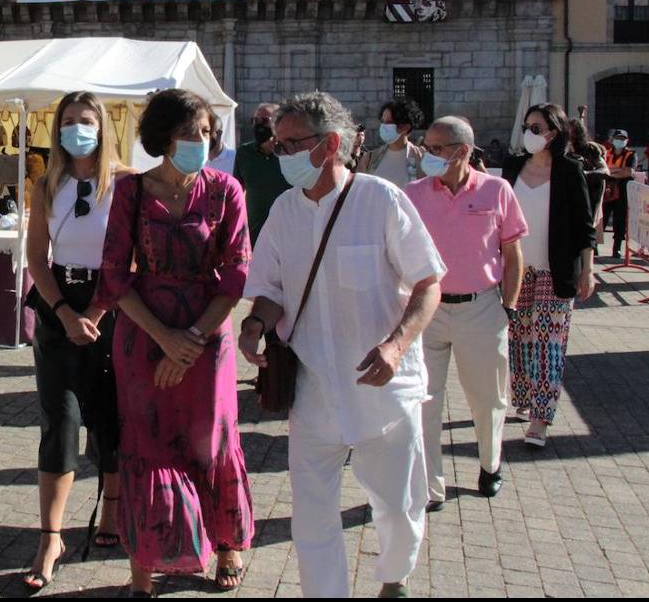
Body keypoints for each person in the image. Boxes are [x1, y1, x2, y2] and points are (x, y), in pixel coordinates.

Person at [241, 92, 445, 598]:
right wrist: (253, 325)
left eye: (292, 143)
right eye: (277, 143)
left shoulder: (380, 199)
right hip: (311, 390)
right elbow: (268, 290)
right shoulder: (284, 211)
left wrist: (397, 346)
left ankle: (394, 577)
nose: (280, 153)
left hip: (384, 390)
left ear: (330, 144)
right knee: (311, 517)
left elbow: (428, 283)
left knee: (398, 505)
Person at [94, 89, 255, 596]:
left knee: (213, 441)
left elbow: (236, 272)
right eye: (190, 133)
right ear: (163, 136)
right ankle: (144, 565)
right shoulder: (132, 192)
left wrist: (191, 340)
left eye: (206, 132)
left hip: (208, 333)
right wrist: (165, 339)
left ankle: (226, 545)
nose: (200, 141)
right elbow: (115, 275)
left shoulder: (227, 190)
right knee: (146, 444)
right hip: (144, 333)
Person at [22, 92, 126, 591]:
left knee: (111, 413)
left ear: (102, 127)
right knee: (59, 417)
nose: (76, 129)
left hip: (113, 304)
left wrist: (98, 311)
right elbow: (37, 258)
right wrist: (64, 311)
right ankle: (51, 536)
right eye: (67, 121)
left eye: (85, 121)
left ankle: (112, 510)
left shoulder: (126, 183)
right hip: (57, 301)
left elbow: (130, 258)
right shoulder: (46, 184)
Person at [406, 117, 527, 512]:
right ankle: (430, 486)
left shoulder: (497, 190)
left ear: (461, 151)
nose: (427, 153)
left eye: (436, 148)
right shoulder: (413, 194)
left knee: (488, 396)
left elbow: (512, 255)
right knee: (424, 398)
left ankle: (490, 466)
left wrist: (508, 306)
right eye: (426, 146)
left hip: (482, 307)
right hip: (429, 309)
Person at [502, 104, 596, 447]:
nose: (529, 132)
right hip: (516, 270)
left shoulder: (570, 171)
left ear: (553, 133)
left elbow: (585, 228)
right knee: (519, 339)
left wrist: (588, 270)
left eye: (536, 127)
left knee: (548, 345)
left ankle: (541, 419)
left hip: (554, 271)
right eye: (527, 125)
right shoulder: (513, 167)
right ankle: (524, 400)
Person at [233, 102, 291, 244]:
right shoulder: (243, 153)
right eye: (255, 120)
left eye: (264, 120)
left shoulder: (290, 152)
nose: (259, 125)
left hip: (288, 235)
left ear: (278, 123)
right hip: (255, 236)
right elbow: (237, 193)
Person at [359, 97, 426, 189]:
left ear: (405, 127)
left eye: (389, 122)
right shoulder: (370, 159)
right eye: (383, 122)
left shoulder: (421, 158)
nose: (383, 126)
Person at [566, 119, 609, 239]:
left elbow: (605, 171)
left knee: (586, 226)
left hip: (588, 192)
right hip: (570, 193)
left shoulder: (589, 149)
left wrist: (585, 173)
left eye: (572, 130)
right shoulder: (562, 150)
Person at [602, 129, 636, 257]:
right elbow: (601, 169)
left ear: (627, 141)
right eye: (618, 138)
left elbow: (628, 172)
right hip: (607, 190)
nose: (620, 141)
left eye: (622, 139)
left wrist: (610, 174)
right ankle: (594, 247)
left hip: (622, 192)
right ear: (612, 139)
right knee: (602, 219)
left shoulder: (631, 155)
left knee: (619, 220)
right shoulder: (606, 153)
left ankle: (616, 248)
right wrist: (617, 173)